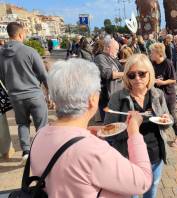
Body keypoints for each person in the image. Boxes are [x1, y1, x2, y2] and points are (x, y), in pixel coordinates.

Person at [31, 58, 152, 197]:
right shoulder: (94, 150)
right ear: (92, 99)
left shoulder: (40, 134)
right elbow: (143, 181)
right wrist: (134, 133)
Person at [105, 54, 171, 198]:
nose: (137, 78)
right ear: (126, 77)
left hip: (155, 154)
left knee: (151, 189)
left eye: (141, 74)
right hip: (129, 157)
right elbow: (108, 130)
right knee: (132, 193)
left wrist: (167, 119)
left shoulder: (157, 94)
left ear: (149, 74)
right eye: (131, 75)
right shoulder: (118, 97)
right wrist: (127, 126)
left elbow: (167, 120)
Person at [0, 22, 48, 162]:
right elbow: (43, 75)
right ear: (20, 34)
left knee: (22, 123)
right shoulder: (29, 51)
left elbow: (2, 77)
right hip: (34, 94)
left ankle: (26, 151)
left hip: (15, 96)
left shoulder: (1, 54)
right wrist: (50, 93)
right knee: (42, 125)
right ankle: (42, 152)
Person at [150, 43, 177, 138]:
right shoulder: (153, 63)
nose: (151, 54)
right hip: (157, 93)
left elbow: (174, 79)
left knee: (171, 114)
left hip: (168, 93)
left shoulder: (168, 63)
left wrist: (163, 82)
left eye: (152, 52)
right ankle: (162, 134)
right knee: (159, 113)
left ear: (159, 54)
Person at [94, 35, 124, 121]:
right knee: (108, 122)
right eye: (116, 49)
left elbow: (117, 68)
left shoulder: (110, 56)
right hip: (106, 95)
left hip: (114, 94)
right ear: (107, 47)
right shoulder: (100, 57)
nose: (117, 52)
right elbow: (107, 74)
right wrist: (125, 74)